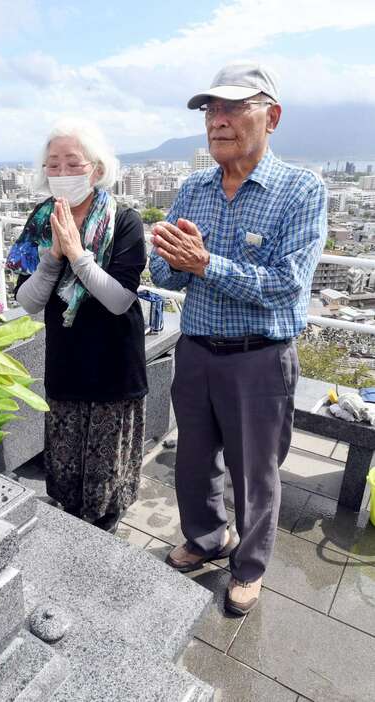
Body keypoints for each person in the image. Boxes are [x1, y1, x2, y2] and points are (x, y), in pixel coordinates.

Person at [149, 63, 327, 615]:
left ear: (271, 116)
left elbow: (287, 286)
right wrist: (174, 259)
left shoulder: (301, 190)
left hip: (259, 360)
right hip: (197, 349)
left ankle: (248, 568)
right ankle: (207, 538)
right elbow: (168, 276)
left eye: (232, 108)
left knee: (256, 474)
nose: (217, 121)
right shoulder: (193, 187)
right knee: (194, 461)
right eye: (209, 110)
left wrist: (206, 264)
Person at [7, 119, 147, 533]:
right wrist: (52, 258)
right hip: (67, 361)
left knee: (106, 485)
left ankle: (102, 545)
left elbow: (120, 299)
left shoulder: (125, 220)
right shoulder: (40, 220)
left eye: (73, 163)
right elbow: (27, 301)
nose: (63, 174)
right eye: (54, 165)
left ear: (96, 169)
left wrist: (78, 254)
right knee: (66, 476)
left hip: (114, 364)